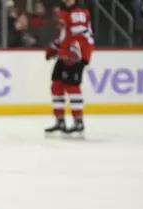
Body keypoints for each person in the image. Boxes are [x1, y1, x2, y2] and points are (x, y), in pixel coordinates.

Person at [44, 0, 94, 136]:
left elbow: (80, 36)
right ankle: (60, 121)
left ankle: (78, 121)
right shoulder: (64, 11)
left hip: (76, 54)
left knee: (72, 86)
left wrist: (72, 52)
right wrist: (55, 47)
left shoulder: (78, 12)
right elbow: (64, 35)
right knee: (57, 84)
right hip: (66, 52)